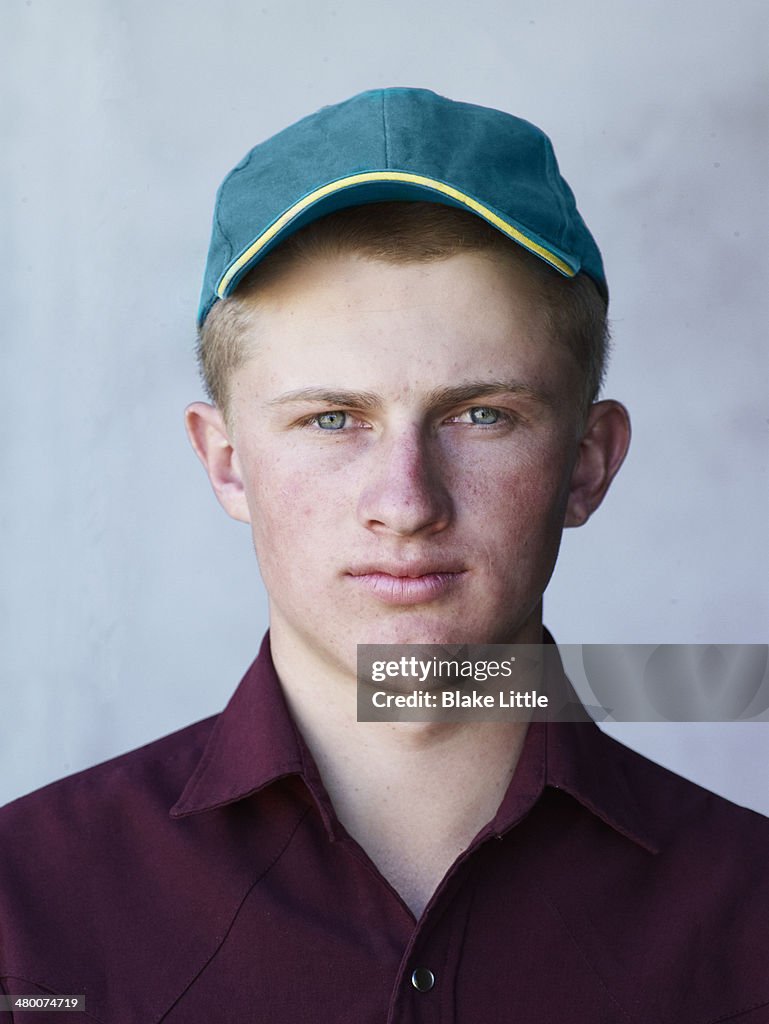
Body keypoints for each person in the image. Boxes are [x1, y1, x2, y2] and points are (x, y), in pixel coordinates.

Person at [1, 87, 767, 1023]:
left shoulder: (747, 915)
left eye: (480, 415)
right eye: (332, 419)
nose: (405, 503)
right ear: (228, 463)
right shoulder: (25, 906)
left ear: (587, 463)